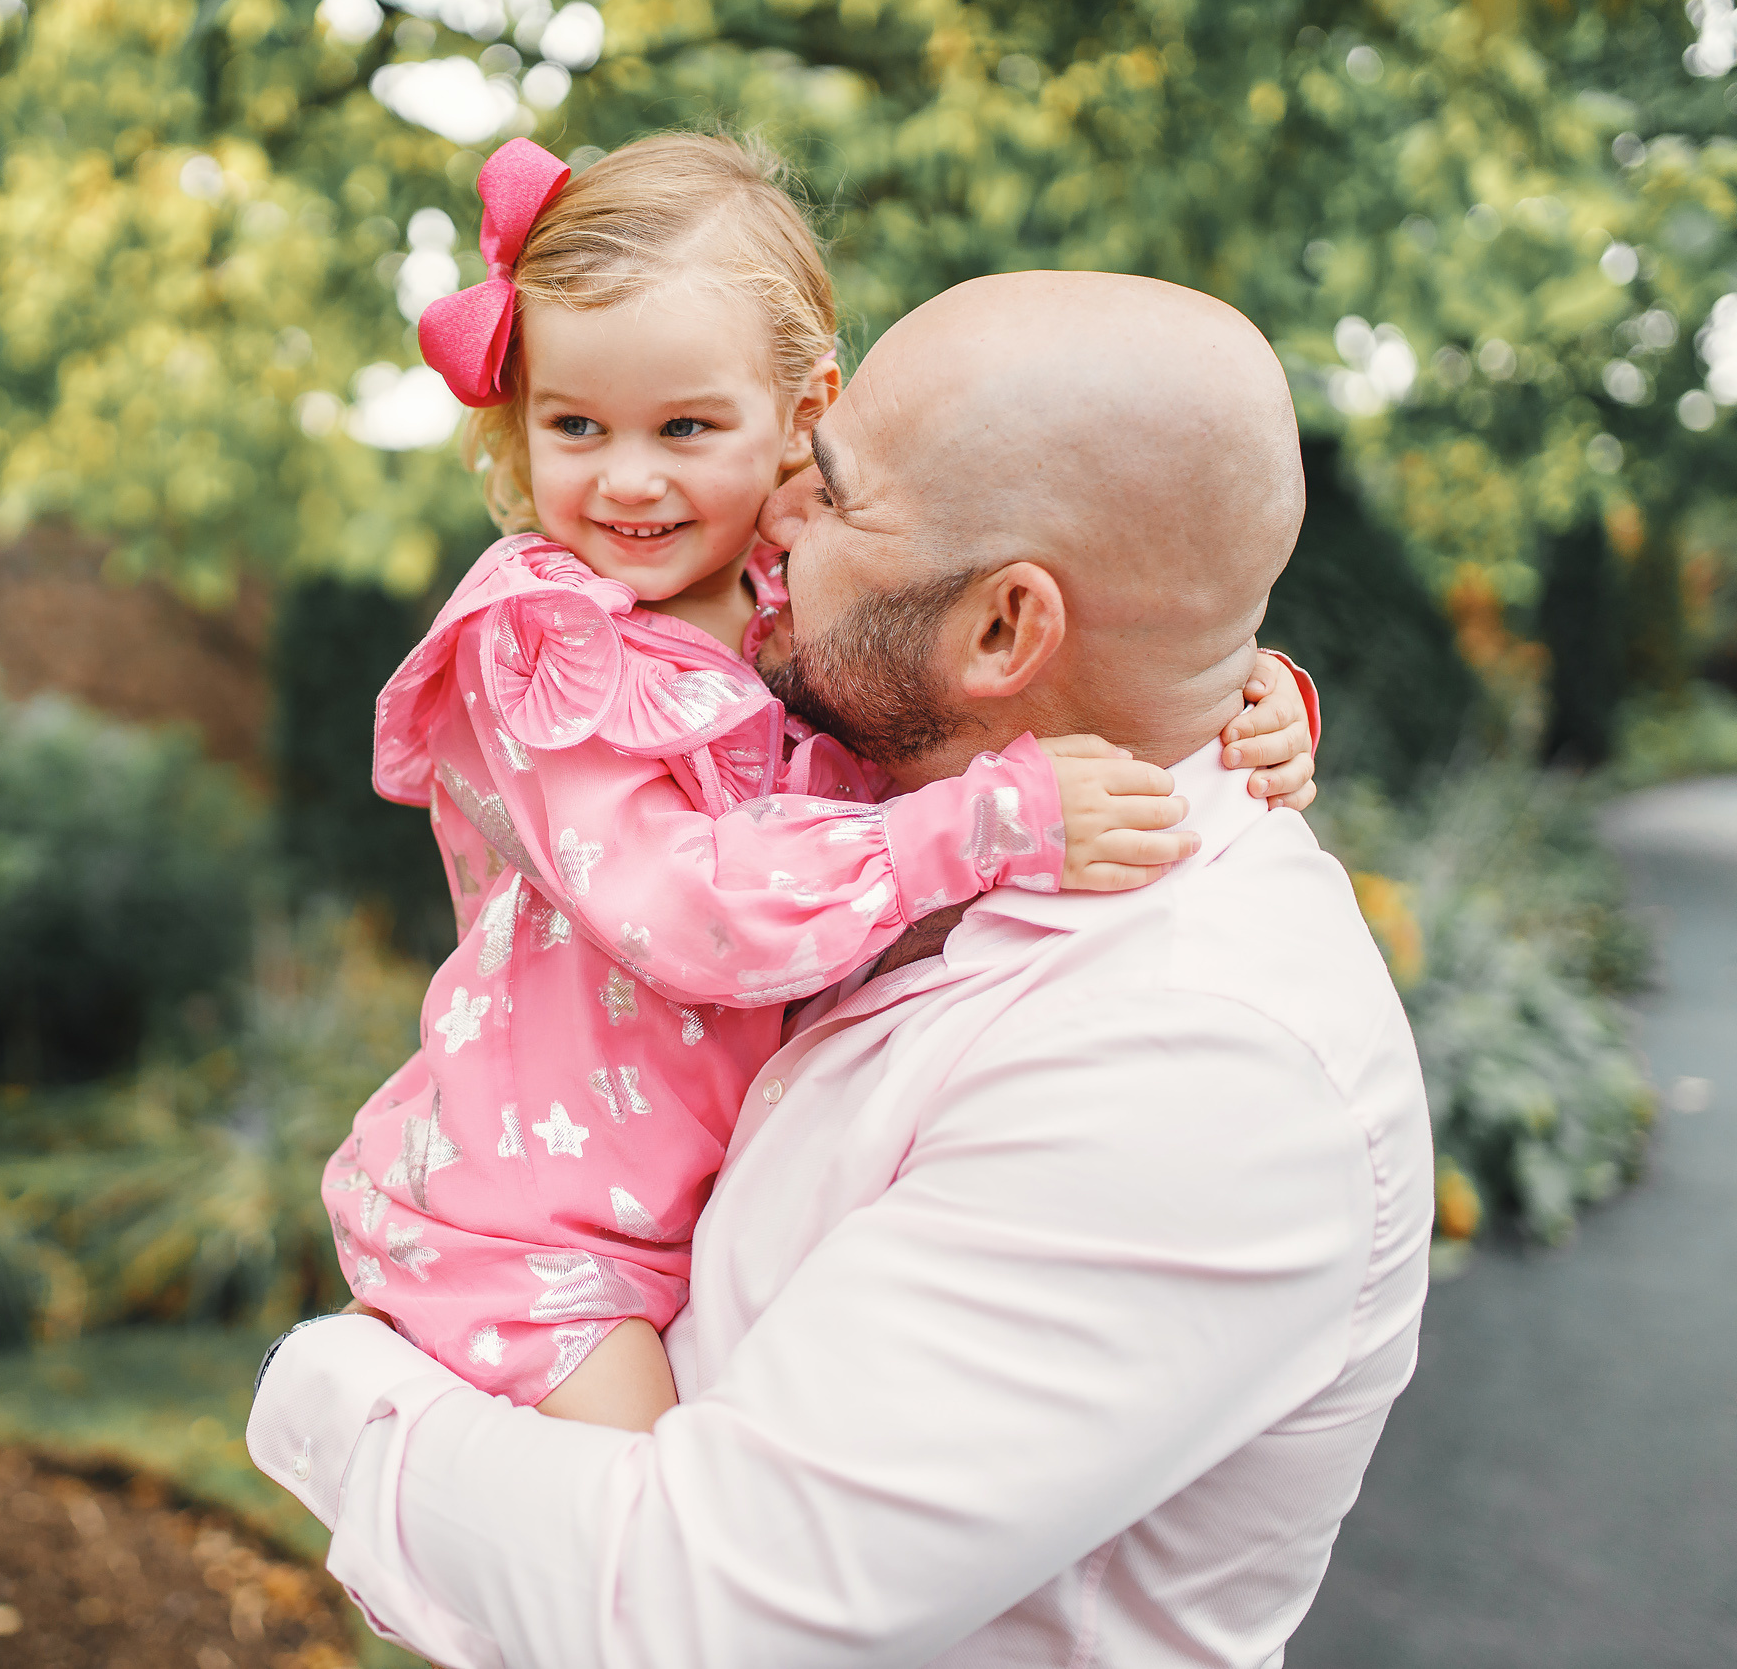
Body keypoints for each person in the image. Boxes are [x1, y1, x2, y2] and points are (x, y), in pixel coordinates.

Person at [250, 268, 1430, 1668]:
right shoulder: (922, 801)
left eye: (836, 487)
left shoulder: (1198, 1063)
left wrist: (327, 1390)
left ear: (1003, 631)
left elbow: (690, 1615)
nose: (774, 509)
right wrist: (1255, 686)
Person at [321, 133, 1320, 1440]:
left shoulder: (798, 602)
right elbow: (680, 908)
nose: (626, 478)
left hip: (702, 1197)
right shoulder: (548, 646)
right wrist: (978, 827)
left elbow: (1066, 636)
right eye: (574, 426)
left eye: (686, 427)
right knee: (638, 1569)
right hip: (540, 1221)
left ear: (803, 414)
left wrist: (1246, 697)